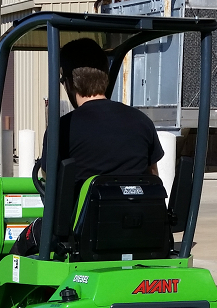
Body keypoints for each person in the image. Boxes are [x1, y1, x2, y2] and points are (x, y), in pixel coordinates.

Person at [50, 38, 164, 195]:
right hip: (140, 217)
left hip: (84, 219)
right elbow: (153, 177)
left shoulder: (62, 128)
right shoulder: (142, 122)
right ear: (106, 76)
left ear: (69, 83)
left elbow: (50, 182)